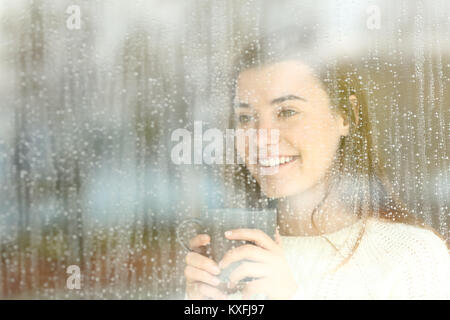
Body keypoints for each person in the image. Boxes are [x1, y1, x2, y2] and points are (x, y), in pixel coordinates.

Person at [182, 35, 449, 300]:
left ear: (346, 116)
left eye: (287, 112)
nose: (262, 137)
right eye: (245, 118)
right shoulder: (231, 253)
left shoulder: (412, 258)